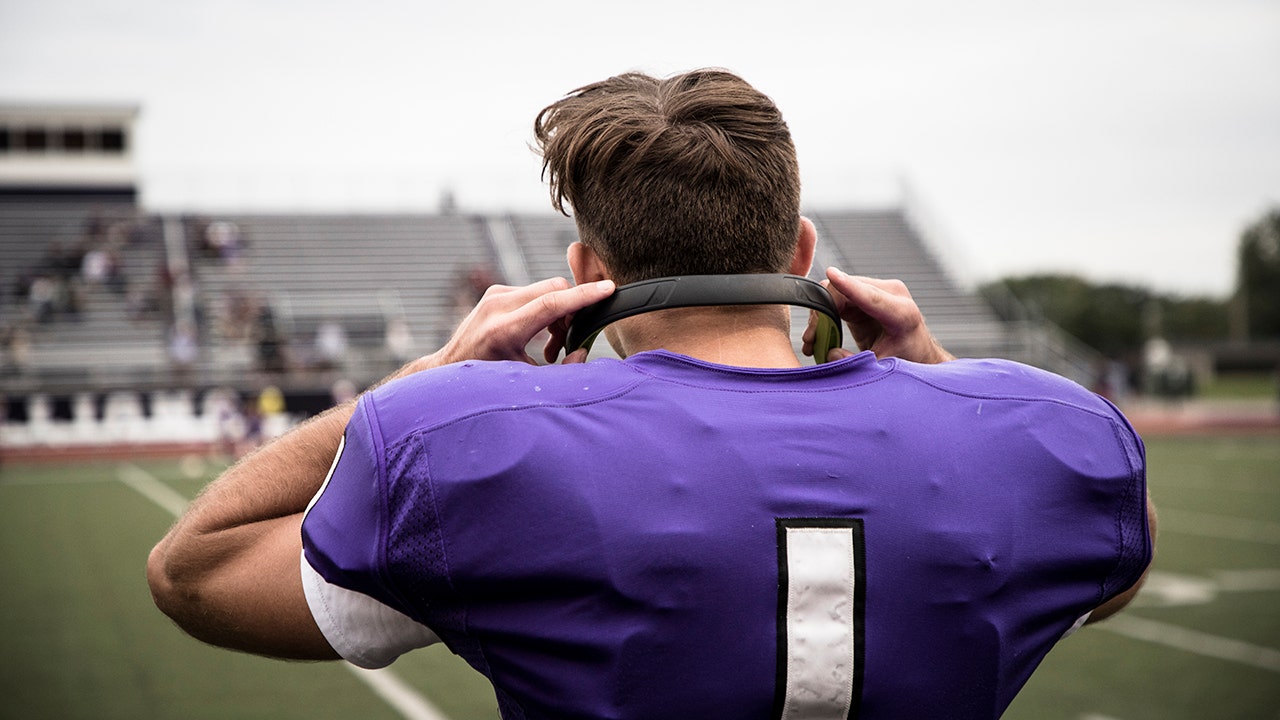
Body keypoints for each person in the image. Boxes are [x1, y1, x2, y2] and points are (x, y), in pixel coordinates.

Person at [148, 69, 1155, 720]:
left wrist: (417, 384)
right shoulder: (1050, 432)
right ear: (802, 252)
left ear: (585, 269)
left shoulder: (455, 443)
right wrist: (939, 373)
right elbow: (1115, 564)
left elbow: (191, 576)